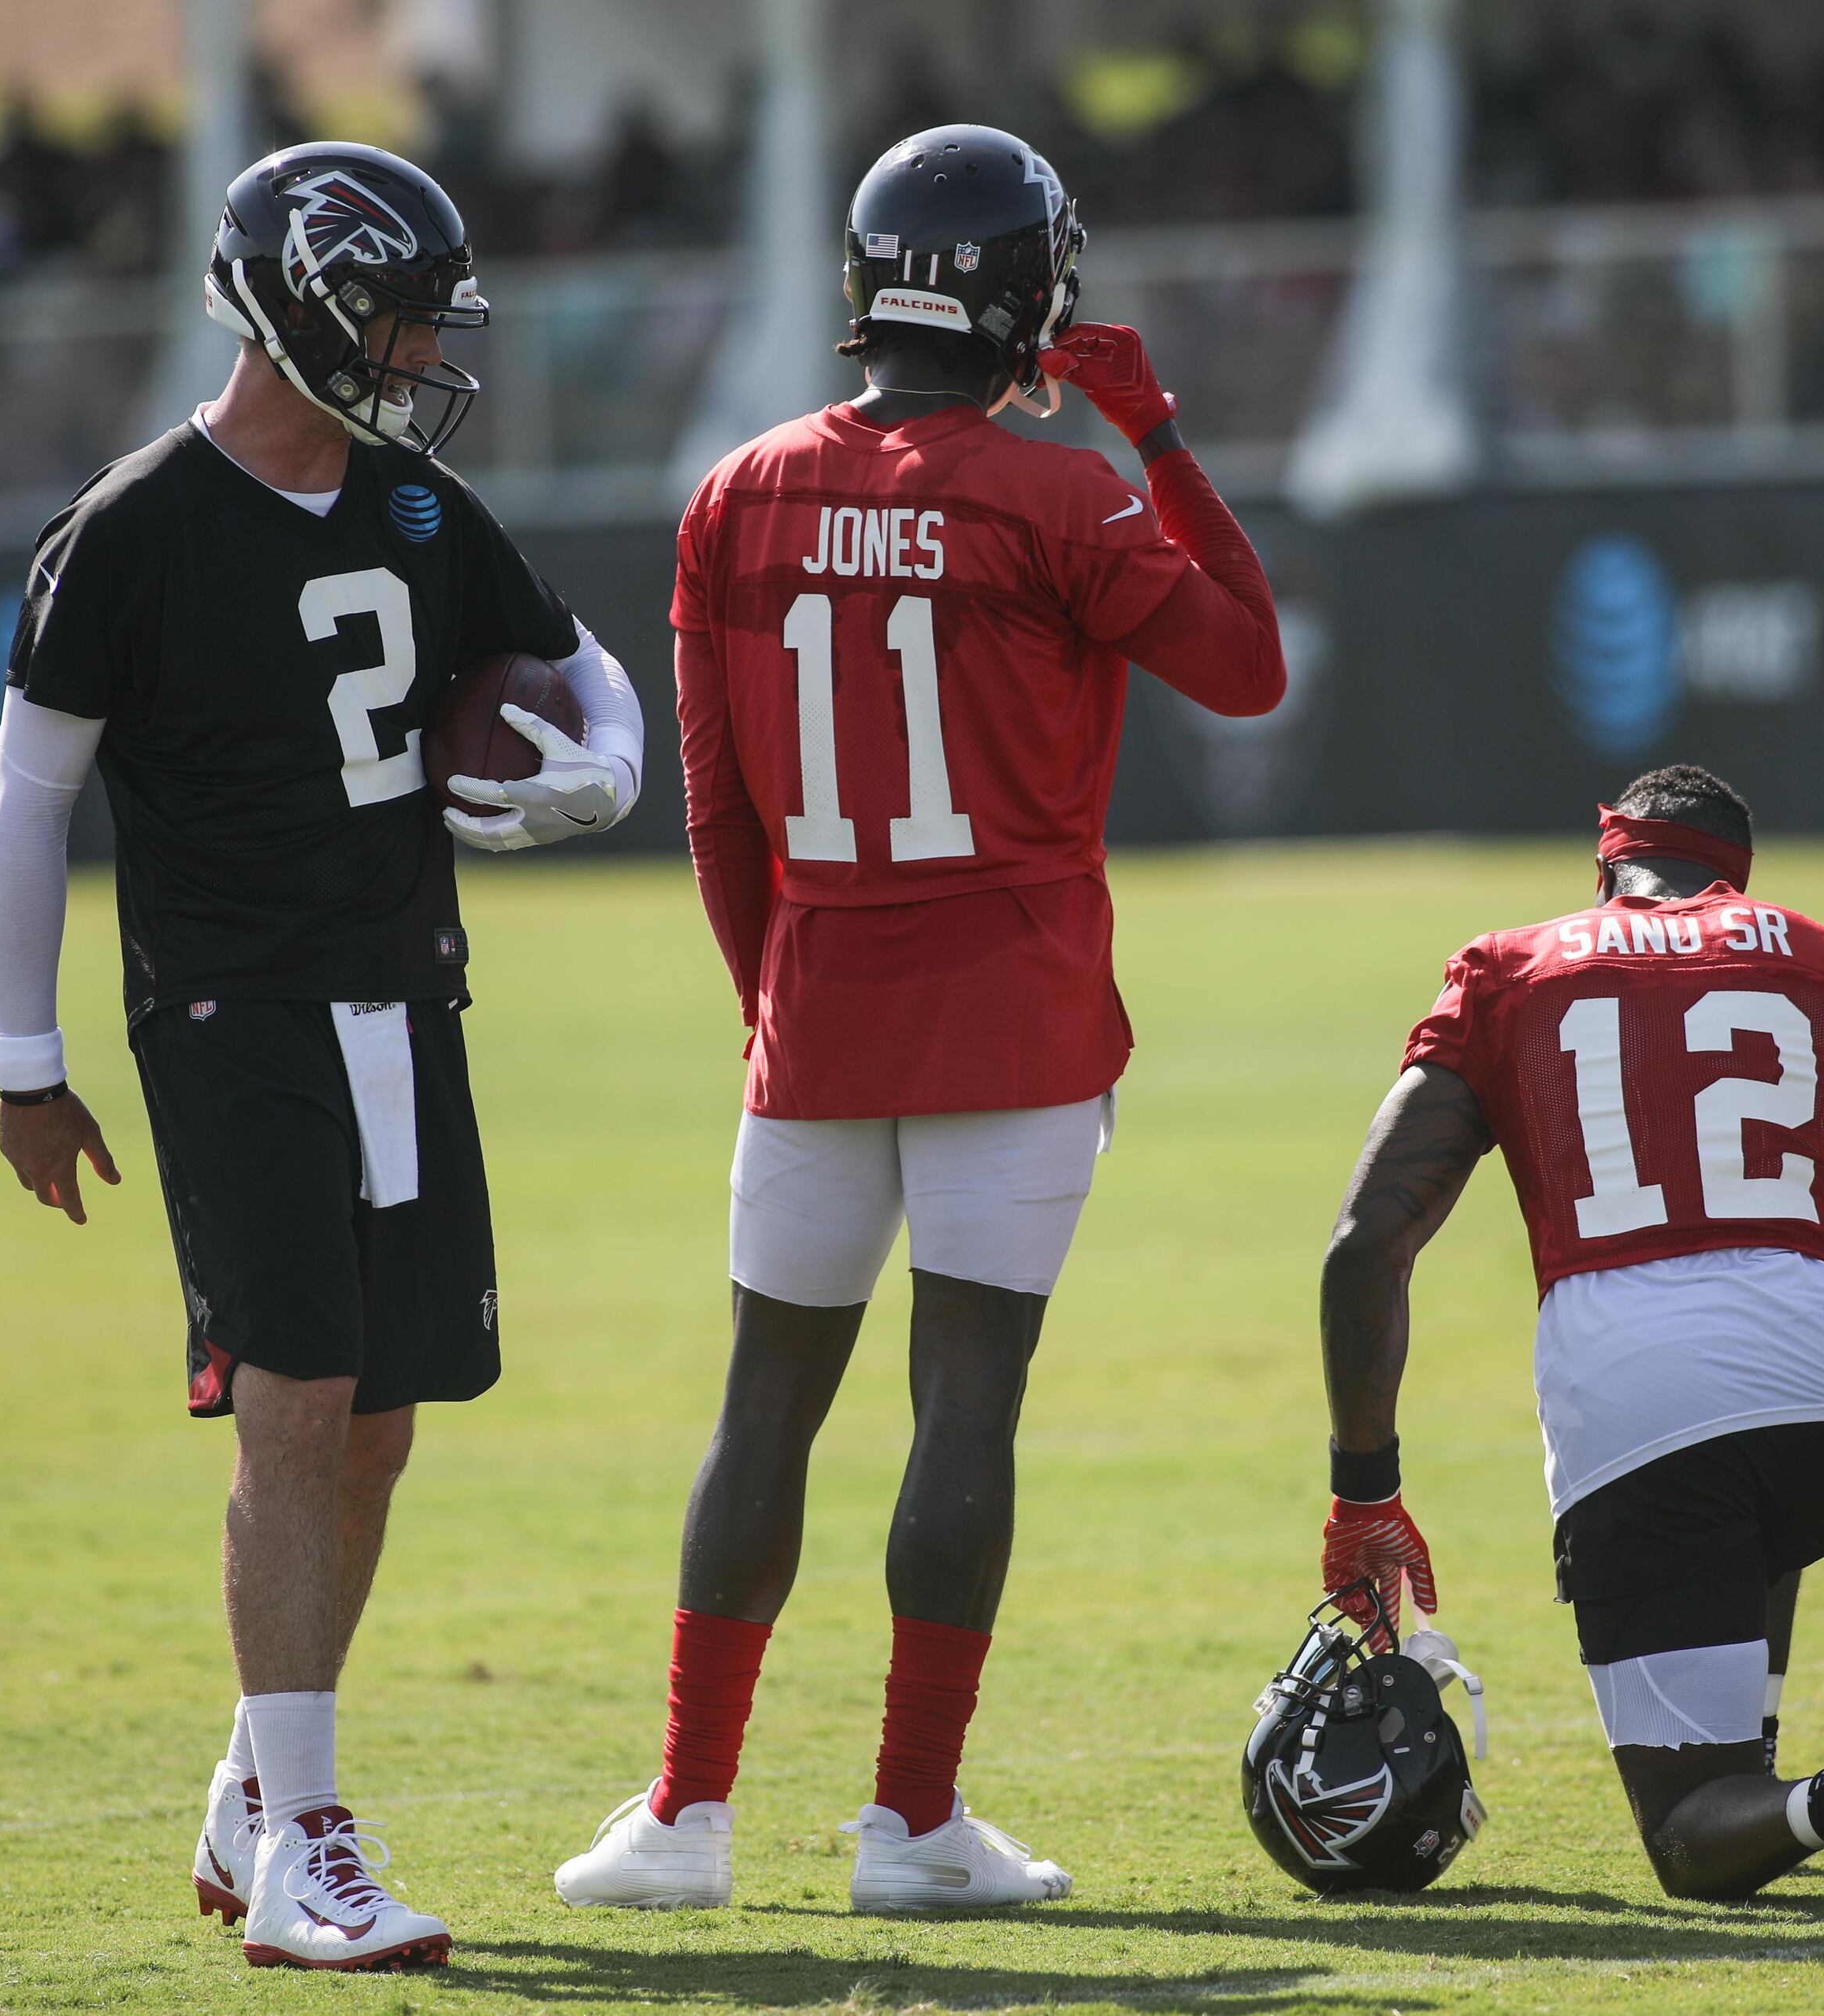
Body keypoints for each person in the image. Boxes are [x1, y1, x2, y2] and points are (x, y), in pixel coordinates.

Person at [552, 124, 1285, 1914]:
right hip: (1014, 1022)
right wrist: (1160, 435)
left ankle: (684, 1811)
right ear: (1027, 291)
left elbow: (719, 814)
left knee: (761, 1409)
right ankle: (908, 1822)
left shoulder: (733, 494)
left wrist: (770, 1003)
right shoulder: (1058, 494)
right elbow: (1249, 668)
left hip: (819, 1011)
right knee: (964, 1410)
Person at [0, 143, 645, 1970]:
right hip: (228, 1010)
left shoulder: (421, 510)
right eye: (400, 311)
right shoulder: (132, 530)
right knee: (289, 1397)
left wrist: (606, 765)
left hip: (402, 998)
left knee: (378, 1423)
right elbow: (27, 803)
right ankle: (307, 1848)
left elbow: (582, 665)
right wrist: (25, 1058)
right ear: (297, 304)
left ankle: (250, 1786)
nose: (424, 346)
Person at [1317, 765, 1824, 1919]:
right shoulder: (1818, 956)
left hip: (1647, 1396)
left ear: (1608, 866)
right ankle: (1766, 1774)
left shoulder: (1512, 968)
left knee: (1684, 1837)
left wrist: (1366, 1491)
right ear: (1732, 877)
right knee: (1744, 1452)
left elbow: (1366, 1244)